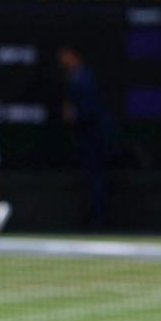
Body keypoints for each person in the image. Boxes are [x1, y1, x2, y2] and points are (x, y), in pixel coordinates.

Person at [58, 46, 112, 228]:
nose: (62, 60)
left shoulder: (84, 78)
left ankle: (98, 218)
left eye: (65, 56)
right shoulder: (74, 77)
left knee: (96, 179)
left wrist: (73, 114)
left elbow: (89, 110)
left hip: (94, 138)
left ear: (73, 55)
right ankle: (95, 216)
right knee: (92, 179)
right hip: (86, 138)